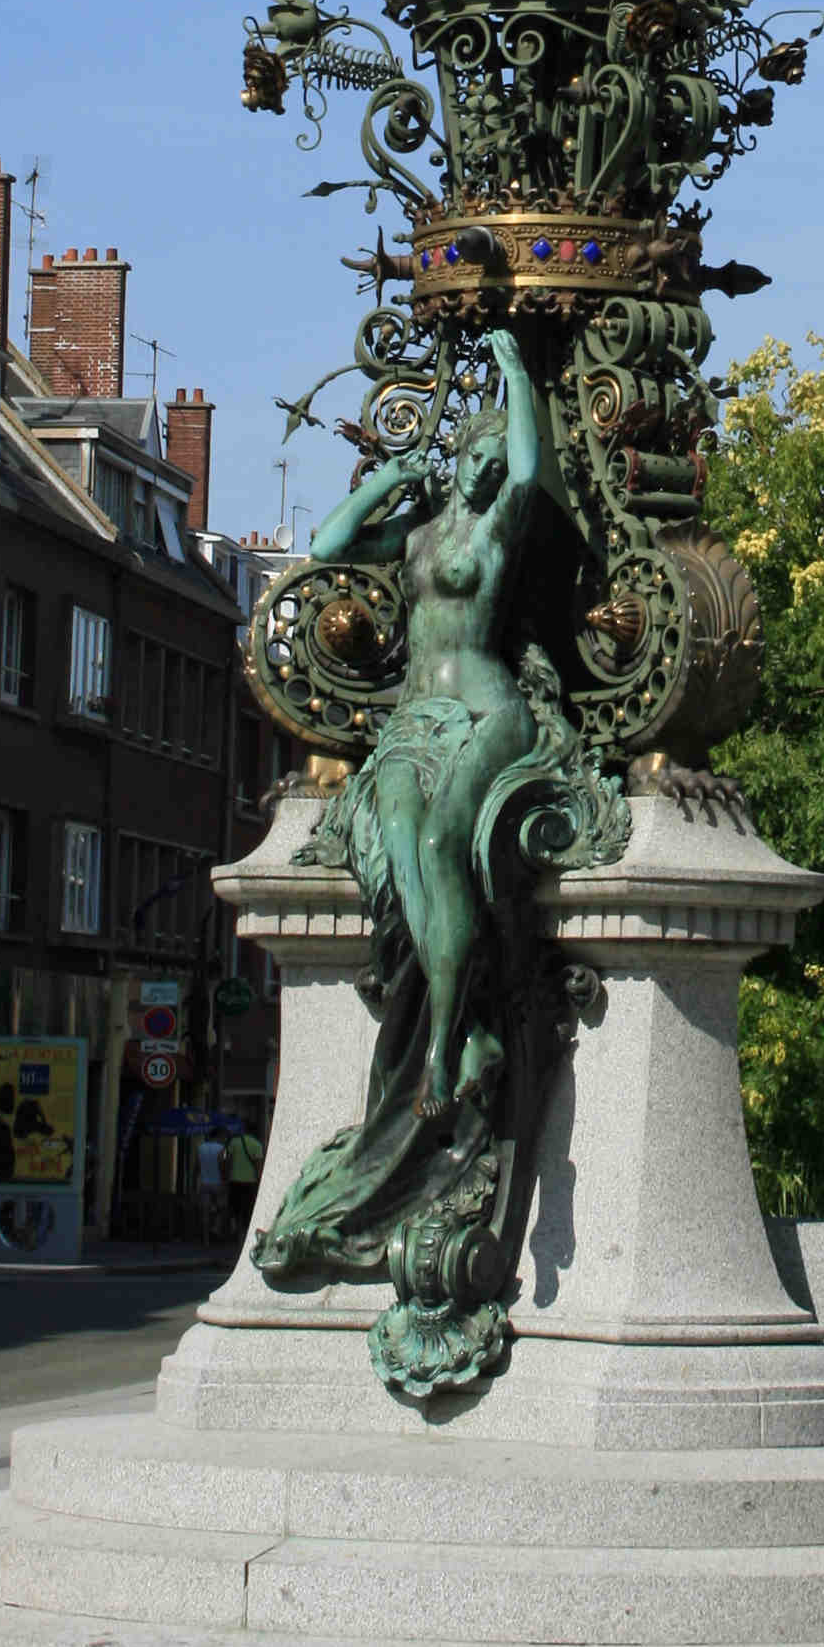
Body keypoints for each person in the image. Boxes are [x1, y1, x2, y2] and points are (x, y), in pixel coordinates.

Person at [307, 327, 541, 1121]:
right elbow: (326, 548)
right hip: (414, 721)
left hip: (486, 711)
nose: (489, 471)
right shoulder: (415, 538)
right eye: (479, 458)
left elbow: (534, 470)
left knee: (443, 846)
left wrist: (515, 378)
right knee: (398, 864)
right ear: (460, 458)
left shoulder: (495, 532)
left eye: (497, 462)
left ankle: (440, 1049)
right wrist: (387, 482)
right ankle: (472, 1027)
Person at [224, 1117, 264, 1238]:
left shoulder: (233, 1142)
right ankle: (245, 1234)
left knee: (235, 1208)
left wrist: (226, 1176)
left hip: (234, 1180)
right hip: (249, 1182)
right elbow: (258, 1165)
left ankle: (236, 1232)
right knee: (247, 1208)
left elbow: (226, 1159)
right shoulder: (257, 1145)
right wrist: (258, 1181)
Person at [193, 1124, 227, 1246]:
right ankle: (215, 1228)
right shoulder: (221, 1148)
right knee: (222, 1208)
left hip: (204, 1183)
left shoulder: (200, 1148)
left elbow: (196, 1168)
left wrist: (194, 1183)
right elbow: (222, 1167)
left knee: (205, 1211)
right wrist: (225, 1182)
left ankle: (206, 1240)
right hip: (218, 1183)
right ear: (219, 1136)